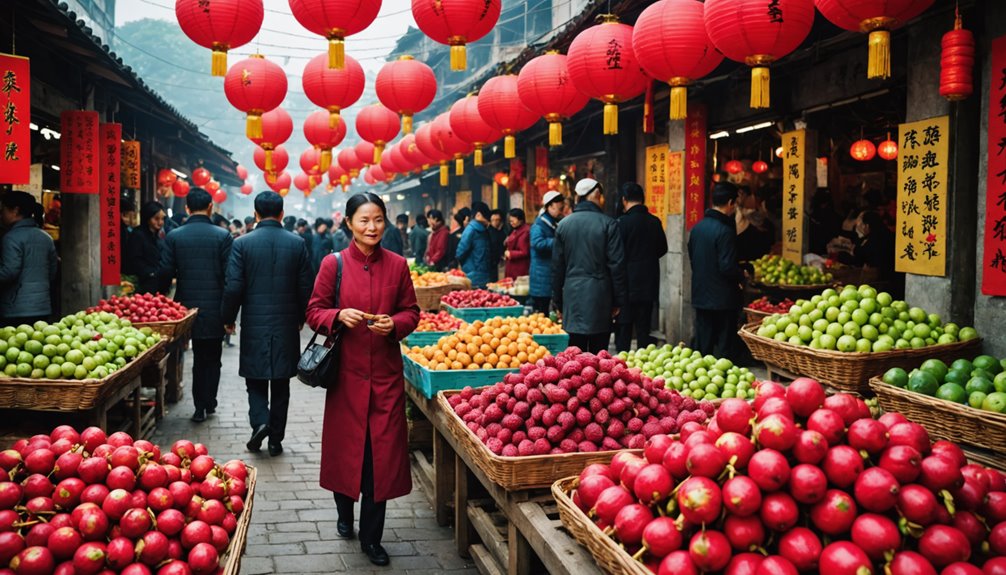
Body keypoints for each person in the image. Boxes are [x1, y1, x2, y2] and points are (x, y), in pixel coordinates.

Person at [306, 192, 420, 568]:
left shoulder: (398, 265)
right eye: (364, 220)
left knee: (379, 459)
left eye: (378, 220)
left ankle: (372, 538)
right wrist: (338, 316)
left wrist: (396, 324)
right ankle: (343, 512)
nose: (372, 228)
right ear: (350, 224)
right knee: (346, 454)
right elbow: (313, 311)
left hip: (386, 378)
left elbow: (411, 312)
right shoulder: (332, 264)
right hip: (346, 378)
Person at [222, 191, 314, 457]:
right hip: (286, 323)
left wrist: (228, 319)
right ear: (282, 214)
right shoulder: (297, 243)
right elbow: (305, 286)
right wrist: (301, 318)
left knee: (256, 378)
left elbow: (233, 287)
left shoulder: (242, 244)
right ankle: (275, 439)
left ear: (256, 214)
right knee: (282, 383)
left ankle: (260, 421)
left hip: (255, 322)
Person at [158, 189, 233, 423]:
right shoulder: (223, 236)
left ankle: (199, 405)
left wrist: (160, 299)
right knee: (212, 357)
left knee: (196, 357)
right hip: (215, 306)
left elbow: (165, 272)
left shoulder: (174, 236)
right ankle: (207, 402)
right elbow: (230, 276)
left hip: (185, 308)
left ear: (187, 209)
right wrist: (230, 312)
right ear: (211, 206)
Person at [552, 178, 627, 354]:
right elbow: (617, 266)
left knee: (574, 358)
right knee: (598, 356)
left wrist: (558, 302)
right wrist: (618, 301)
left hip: (572, 296)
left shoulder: (563, 225)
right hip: (601, 296)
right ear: (597, 196)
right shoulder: (609, 224)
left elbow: (557, 269)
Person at [688, 181, 746, 361]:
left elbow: (693, 258)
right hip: (723, 298)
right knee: (725, 345)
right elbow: (727, 266)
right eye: (735, 203)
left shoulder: (697, 228)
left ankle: (700, 377)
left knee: (703, 344)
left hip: (701, 294)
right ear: (730, 203)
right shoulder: (725, 231)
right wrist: (741, 275)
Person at [613, 183, 668, 352]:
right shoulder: (654, 222)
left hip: (626, 285)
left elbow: (615, 254)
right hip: (648, 284)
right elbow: (663, 248)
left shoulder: (621, 223)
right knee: (644, 329)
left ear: (624, 200)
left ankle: (622, 367)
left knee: (624, 329)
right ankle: (644, 366)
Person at [0, 192, 57, 326]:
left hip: (16, 309)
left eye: (3, 210)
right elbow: (52, 272)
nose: (1, 215)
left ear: (15, 211)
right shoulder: (46, 237)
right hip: (42, 307)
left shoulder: (11, 238)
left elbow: (9, 272)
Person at [529, 191, 564, 314]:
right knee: (542, 312)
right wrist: (558, 242)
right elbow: (538, 244)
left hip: (548, 274)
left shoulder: (553, 223)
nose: (561, 211)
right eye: (559, 208)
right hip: (541, 276)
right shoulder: (539, 225)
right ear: (549, 206)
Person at [126, 201, 167, 295]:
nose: (160, 222)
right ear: (147, 218)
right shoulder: (137, 235)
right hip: (143, 284)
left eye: (162, 219)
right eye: (156, 218)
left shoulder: (158, 235)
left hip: (157, 283)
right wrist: (152, 273)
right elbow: (135, 260)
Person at [457, 202, 492, 288]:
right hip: (474, 273)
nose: (488, 220)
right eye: (487, 217)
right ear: (478, 215)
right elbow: (460, 253)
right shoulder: (471, 229)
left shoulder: (482, 229)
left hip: (482, 272)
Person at [735, 186, 775, 263]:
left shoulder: (759, 217)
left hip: (759, 261)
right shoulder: (737, 215)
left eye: (741, 195)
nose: (739, 199)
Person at [503, 208, 530, 279]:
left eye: (513, 220)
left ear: (520, 220)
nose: (511, 223)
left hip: (519, 267)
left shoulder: (525, 232)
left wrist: (510, 253)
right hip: (513, 265)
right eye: (510, 221)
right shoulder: (517, 229)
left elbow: (524, 252)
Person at [487, 209, 506, 282]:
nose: (495, 222)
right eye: (493, 220)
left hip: (499, 262)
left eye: (497, 220)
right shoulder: (488, 232)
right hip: (490, 262)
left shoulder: (503, 232)